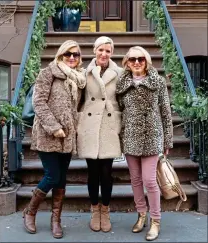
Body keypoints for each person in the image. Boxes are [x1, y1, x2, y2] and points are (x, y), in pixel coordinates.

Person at [22, 40, 86, 239]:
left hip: (67, 137)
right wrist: (54, 127)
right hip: (48, 134)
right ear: (60, 55)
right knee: (52, 175)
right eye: (68, 54)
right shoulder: (48, 72)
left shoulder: (79, 79)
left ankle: (56, 220)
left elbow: (78, 107)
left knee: (61, 179)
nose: (72, 57)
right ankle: (30, 212)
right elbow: (38, 102)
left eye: (75, 54)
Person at [116, 46, 173, 241]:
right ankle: (141, 214)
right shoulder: (122, 84)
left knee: (150, 180)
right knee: (136, 180)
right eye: (132, 60)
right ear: (127, 63)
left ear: (147, 61)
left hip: (152, 135)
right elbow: (120, 110)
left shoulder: (157, 82)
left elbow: (166, 112)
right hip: (131, 136)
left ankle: (155, 220)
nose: (137, 62)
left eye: (141, 59)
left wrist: (168, 139)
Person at [77, 36, 122, 232]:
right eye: (100, 50)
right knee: (93, 172)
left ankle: (106, 210)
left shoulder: (120, 73)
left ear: (111, 53)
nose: (104, 54)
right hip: (90, 125)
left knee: (106, 173)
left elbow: (123, 99)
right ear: (94, 50)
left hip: (109, 125)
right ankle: (95, 210)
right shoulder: (84, 73)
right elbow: (78, 100)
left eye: (108, 50)